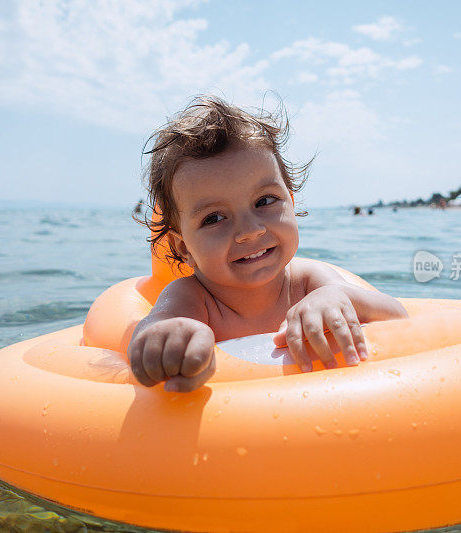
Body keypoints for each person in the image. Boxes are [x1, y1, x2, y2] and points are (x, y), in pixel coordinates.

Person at [129, 96, 408, 392]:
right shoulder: (191, 298)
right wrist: (173, 339)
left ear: (291, 199)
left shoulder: (309, 281)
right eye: (214, 218)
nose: (249, 231)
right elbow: (151, 328)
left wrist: (338, 298)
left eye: (265, 201)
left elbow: (399, 315)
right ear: (184, 248)